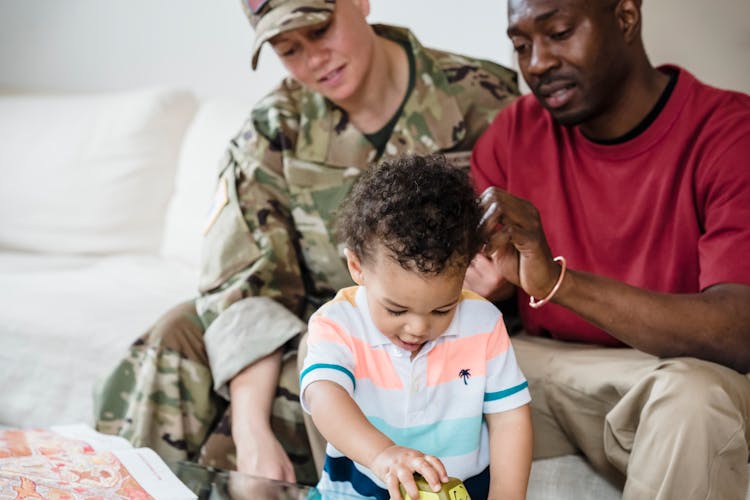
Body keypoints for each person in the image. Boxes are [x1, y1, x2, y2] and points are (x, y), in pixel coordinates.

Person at [94, 0, 519, 486]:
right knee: (176, 333)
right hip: (317, 325)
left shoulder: (484, 96)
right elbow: (247, 287)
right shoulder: (276, 127)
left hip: (441, 325)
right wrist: (251, 430)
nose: (314, 59)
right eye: (288, 48)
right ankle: (121, 485)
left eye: (320, 31)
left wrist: (494, 287)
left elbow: (534, 239)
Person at [466, 0, 750, 498]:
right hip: (542, 366)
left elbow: (738, 331)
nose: (537, 63)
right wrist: (481, 288)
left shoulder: (729, 133)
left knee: (695, 398)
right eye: (521, 45)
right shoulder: (511, 134)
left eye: (558, 32)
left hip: (668, 374)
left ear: (624, 16)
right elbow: (478, 287)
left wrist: (557, 283)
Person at [300, 154, 532, 500]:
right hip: (360, 491)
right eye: (396, 309)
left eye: (442, 309)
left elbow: (510, 418)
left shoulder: (482, 322)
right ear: (356, 266)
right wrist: (382, 455)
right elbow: (324, 397)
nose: (418, 328)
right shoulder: (338, 323)